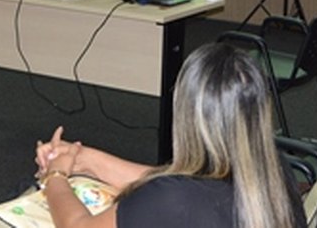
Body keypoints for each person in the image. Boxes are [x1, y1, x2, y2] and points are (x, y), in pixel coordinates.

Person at [32, 43, 301, 228]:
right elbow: (166, 181)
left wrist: (55, 177)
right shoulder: (275, 170)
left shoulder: (174, 199)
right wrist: (85, 159)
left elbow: (79, 226)